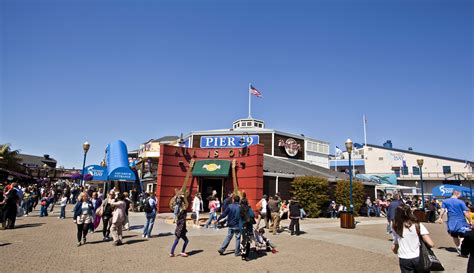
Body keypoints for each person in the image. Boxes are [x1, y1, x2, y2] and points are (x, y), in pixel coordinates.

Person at [391, 205, 434, 273]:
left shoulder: (395, 227)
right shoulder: (417, 225)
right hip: (418, 257)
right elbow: (431, 244)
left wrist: (395, 250)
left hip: (404, 258)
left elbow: (395, 244)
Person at [437, 190, 474, 255]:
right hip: (461, 221)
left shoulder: (445, 201)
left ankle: (458, 247)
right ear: (457, 194)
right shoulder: (461, 202)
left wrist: (440, 218)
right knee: (462, 235)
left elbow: (442, 210)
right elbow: (465, 212)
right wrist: (470, 220)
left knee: (454, 235)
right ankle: (461, 247)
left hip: (451, 221)